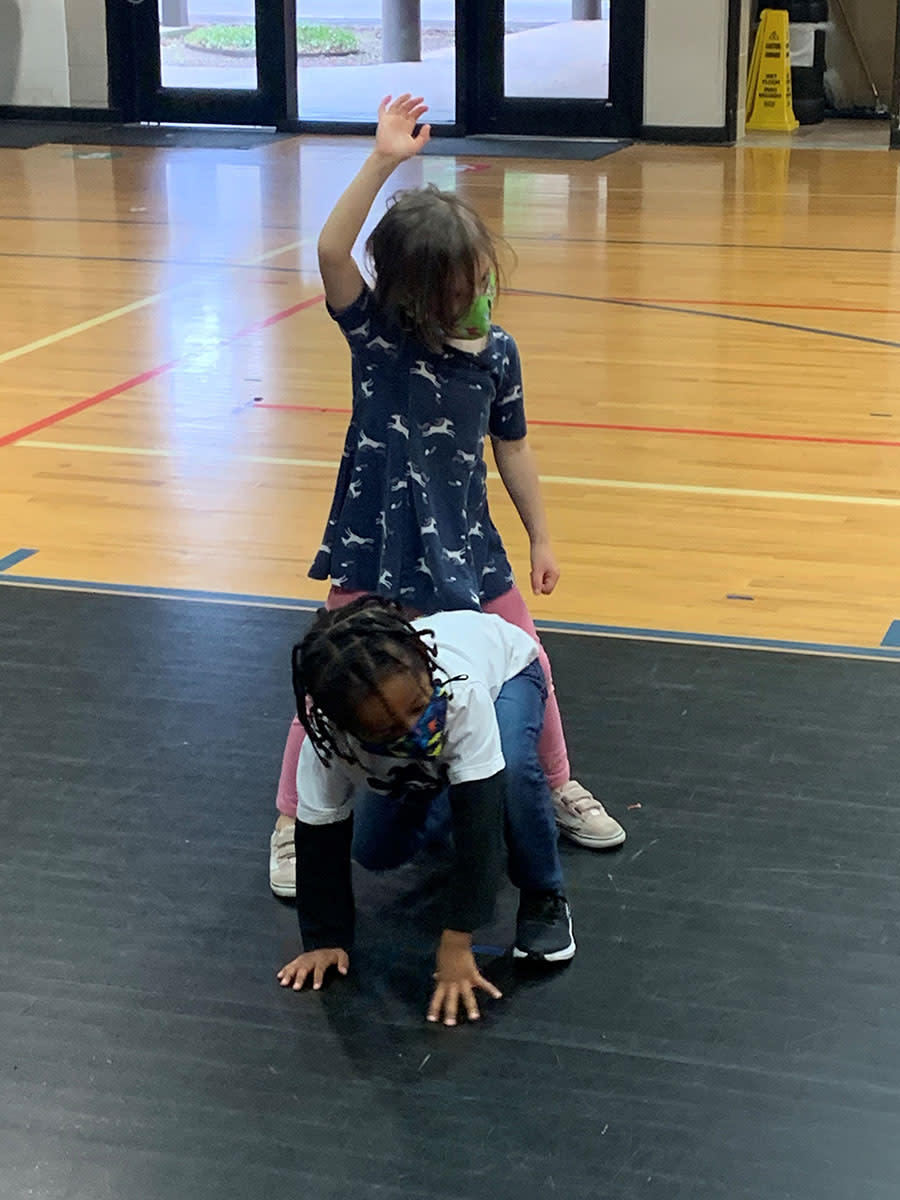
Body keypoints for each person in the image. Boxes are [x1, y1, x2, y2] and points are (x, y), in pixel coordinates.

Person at [270, 93, 625, 899]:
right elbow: (331, 251)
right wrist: (383, 160)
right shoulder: (376, 337)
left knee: (529, 658)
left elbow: (514, 447)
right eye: (461, 286)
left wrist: (540, 536)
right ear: (415, 294)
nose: (478, 294)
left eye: (481, 278)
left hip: (467, 544)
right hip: (375, 544)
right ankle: (294, 818)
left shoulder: (497, 352)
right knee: (334, 674)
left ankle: (558, 782)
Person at [277, 597, 576, 1026]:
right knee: (376, 849)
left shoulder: (460, 695)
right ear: (346, 729)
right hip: (432, 738)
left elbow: (481, 834)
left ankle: (544, 895)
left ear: (426, 667)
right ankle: (453, 784)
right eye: (388, 730)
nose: (415, 730)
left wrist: (456, 941)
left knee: (507, 774)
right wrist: (324, 938)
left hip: (508, 673)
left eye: (419, 707)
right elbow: (319, 837)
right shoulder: (327, 747)